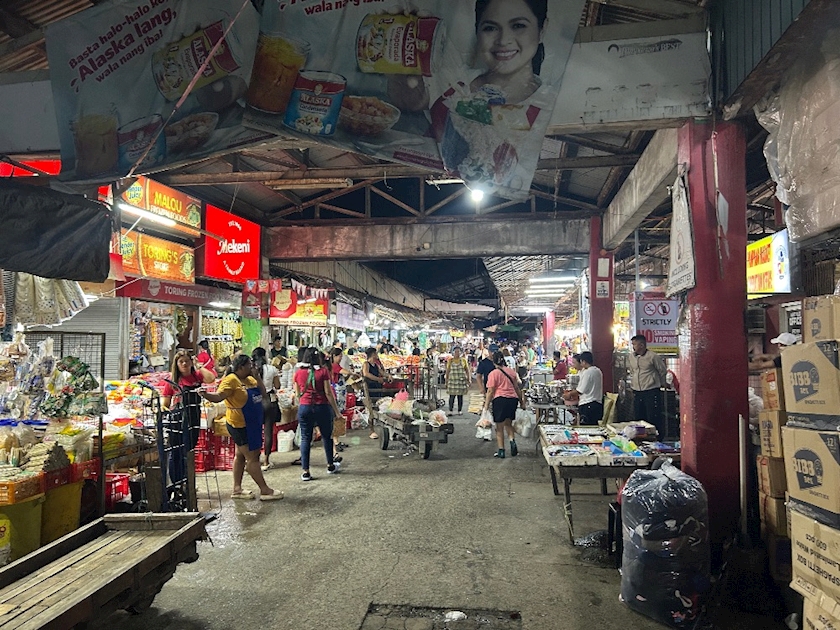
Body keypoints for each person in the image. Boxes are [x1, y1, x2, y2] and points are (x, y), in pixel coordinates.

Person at [430, 0, 551, 190]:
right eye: (490, 28)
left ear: (542, 30)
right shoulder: (452, 88)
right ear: (477, 32)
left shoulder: (547, 109)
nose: (503, 40)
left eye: (518, 25)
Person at [199, 354, 283, 501]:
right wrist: (205, 394)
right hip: (239, 425)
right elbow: (219, 397)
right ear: (241, 367)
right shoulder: (231, 380)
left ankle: (237, 489)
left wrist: (257, 377)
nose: (252, 367)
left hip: (252, 423)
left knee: (240, 455)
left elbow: (263, 394)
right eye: (249, 365)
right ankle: (265, 490)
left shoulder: (250, 379)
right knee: (252, 457)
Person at [161, 349, 216, 485]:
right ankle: (176, 483)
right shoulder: (172, 381)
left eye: (187, 361)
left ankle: (187, 482)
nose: (184, 364)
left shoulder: (197, 376)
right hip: (177, 420)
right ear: (176, 364)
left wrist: (198, 366)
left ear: (191, 362)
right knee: (176, 452)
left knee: (188, 451)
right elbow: (165, 404)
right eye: (181, 362)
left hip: (193, 418)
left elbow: (211, 379)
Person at [294, 348, 343, 481]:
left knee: (305, 438)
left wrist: (304, 404)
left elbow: (297, 394)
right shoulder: (323, 372)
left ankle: (305, 471)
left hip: (305, 408)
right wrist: (337, 411)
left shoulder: (298, 373)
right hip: (322, 407)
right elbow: (328, 393)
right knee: (327, 437)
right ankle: (330, 465)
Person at [482, 350, 525, 459]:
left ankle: (501, 451)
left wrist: (486, 405)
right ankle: (512, 442)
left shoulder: (493, 374)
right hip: (512, 400)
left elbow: (490, 391)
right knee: (508, 423)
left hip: (500, 400)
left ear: (494, 362)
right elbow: (517, 388)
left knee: (499, 427)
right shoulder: (511, 372)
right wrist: (521, 402)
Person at [629, 334, 668, 438]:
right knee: (639, 416)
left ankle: (657, 438)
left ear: (642, 345)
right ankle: (641, 438)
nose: (633, 347)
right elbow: (632, 371)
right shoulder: (631, 357)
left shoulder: (653, 356)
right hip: (637, 391)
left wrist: (661, 383)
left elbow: (662, 371)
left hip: (651, 390)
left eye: (635, 344)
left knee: (653, 416)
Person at [253, 347, 282, 471]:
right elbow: (278, 385)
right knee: (268, 431)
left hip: (254, 401)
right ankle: (266, 460)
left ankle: (254, 459)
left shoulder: (251, 370)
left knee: (255, 431)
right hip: (269, 401)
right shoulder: (272, 369)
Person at [564, 351, 603, 426]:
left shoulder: (588, 372)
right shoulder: (598, 371)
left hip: (588, 405)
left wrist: (569, 394)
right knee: (594, 427)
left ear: (584, 362)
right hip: (597, 404)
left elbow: (581, 390)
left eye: (581, 362)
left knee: (586, 428)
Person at [363, 347, 392, 439]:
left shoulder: (376, 365)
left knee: (378, 407)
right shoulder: (366, 364)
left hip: (377, 388)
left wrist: (388, 375)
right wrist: (377, 379)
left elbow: (382, 372)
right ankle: (371, 430)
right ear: (373, 354)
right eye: (376, 353)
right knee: (370, 410)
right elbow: (366, 374)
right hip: (369, 389)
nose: (377, 355)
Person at [329, 347, 352, 453]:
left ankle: (337, 440)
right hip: (337, 395)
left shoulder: (336, 365)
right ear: (334, 356)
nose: (340, 358)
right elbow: (345, 371)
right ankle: (336, 441)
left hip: (340, 395)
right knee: (336, 417)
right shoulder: (334, 365)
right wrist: (352, 373)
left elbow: (343, 376)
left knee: (338, 417)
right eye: (339, 356)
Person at [445, 346, 471, 415]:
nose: (457, 353)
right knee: (452, 396)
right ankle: (450, 410)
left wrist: (469, 379)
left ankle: (459, 410)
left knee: (460, 396)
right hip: (452, 381)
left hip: (461, 381)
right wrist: (446, 381)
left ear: (461, 352)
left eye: (458, 352)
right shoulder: (450, 360)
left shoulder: (463, 360)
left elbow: (467, 370)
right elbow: (448, 371)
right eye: (456, 352)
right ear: (453, 353)